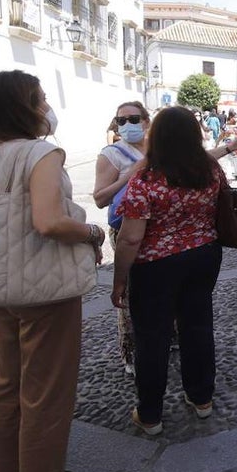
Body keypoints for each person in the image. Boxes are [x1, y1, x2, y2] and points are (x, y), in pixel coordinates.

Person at [0, 70, 103, 472]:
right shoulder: (39, 153)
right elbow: (48, 221)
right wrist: (91, 231)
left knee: (7, 379)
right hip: (43, 284)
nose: (46, 106)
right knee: (46, 387)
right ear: (22, 105)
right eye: (40, 98)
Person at [111, 106, 237, 436]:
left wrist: (119, 281)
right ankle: (201, 398)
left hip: (155, 265)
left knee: (152, 337)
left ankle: (151, 414)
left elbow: (130, 237)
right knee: (197, 325)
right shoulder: (210, 171)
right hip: (203, 255)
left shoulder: (145, 180)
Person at [93, 101, 150, 376]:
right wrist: (126, 178)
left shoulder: (158, 148)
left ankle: (164, 340)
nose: (127, 125)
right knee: (130, 292)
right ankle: (131, 351)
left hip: (159, 231)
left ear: (147, 121)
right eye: (121, 121)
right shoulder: (111, 155)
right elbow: (100, 199)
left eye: (133, 118)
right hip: (126, 228)